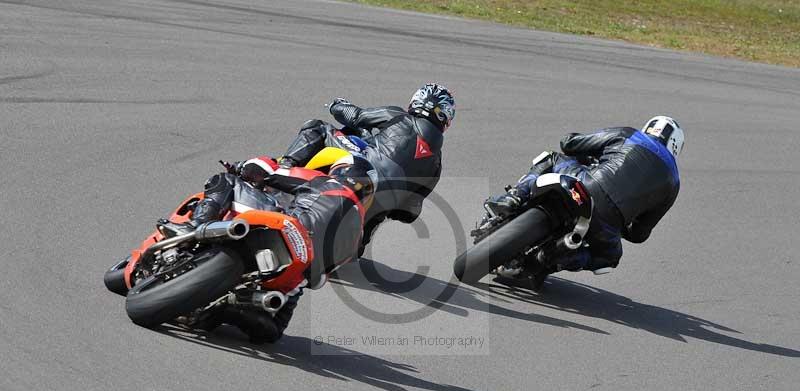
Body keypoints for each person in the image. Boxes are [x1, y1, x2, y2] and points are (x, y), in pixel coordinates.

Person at [160, 153, 378, 343]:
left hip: (285, 231)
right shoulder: (357, 237)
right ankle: (231, 310)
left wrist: (241, 168)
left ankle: (195, 225)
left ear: (341, 172)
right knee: (274, 328)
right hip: (295, 270)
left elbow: (269, 175)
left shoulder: (326, 183)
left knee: (225, 180)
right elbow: (317, 279)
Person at [486, 116, 683, 284]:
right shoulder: (673, 182)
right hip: (607, 223)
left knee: (552, 158)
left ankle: (512, 198)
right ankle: (554, 258)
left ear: (648, 127)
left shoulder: (630, 135)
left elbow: (569, 144)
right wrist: (623, 223)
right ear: (676, 146)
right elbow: (640, 233)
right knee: (609, 258)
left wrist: (584, 152)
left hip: (583, 185)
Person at [280, 83, 455, 252]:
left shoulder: (400, 117)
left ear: (417, 101)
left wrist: (337, 105)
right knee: (363, 239)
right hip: (374, 212)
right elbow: (409, 213)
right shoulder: (436, 166)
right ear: (446, 117)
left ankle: (284, 166)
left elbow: (355, 116)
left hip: (361, 169)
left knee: (318, 127)